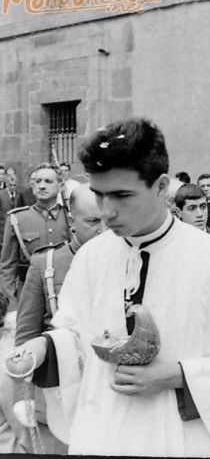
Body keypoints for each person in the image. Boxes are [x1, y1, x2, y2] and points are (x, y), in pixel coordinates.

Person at [7, 118, 210, 456]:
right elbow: (78, 337)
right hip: (105, 432)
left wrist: (177, 375)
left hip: (182, 438)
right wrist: (43, 348)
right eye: (99, 196)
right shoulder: (92, 258)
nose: (107, 211)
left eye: (122, 195)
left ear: (160, 187)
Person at [7, 184, 106, 453]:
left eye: (108, 220)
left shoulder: (126, 257)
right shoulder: (46, 264)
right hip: (65, 386)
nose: (103, 230)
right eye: (93, 221)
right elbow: (26, 335)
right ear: (72, 221)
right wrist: (22, 395)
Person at [0, 164, 70, 308]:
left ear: (60, 186)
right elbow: (7, 267)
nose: (42, 186)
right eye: (38, 181)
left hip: (68, 293)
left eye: (48, 181)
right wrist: (13, 305)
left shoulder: (71, 217)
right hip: (29, 297)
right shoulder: (17, 219)